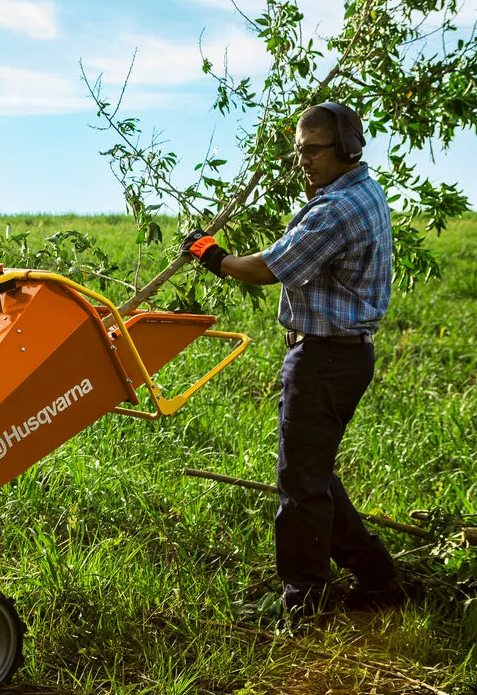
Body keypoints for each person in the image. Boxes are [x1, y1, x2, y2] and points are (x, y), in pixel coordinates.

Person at [182, 102, 404, 616]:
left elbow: (267, 268)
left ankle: (306, 599)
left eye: (314, 150)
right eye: (299, 150)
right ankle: (378, 577)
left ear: (348, 147)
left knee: (300, 483)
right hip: (337, 356)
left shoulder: (337, 210)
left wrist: (209, 255)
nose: (303, 161)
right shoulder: (357, 190)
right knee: (313, 473)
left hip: (326, 358)